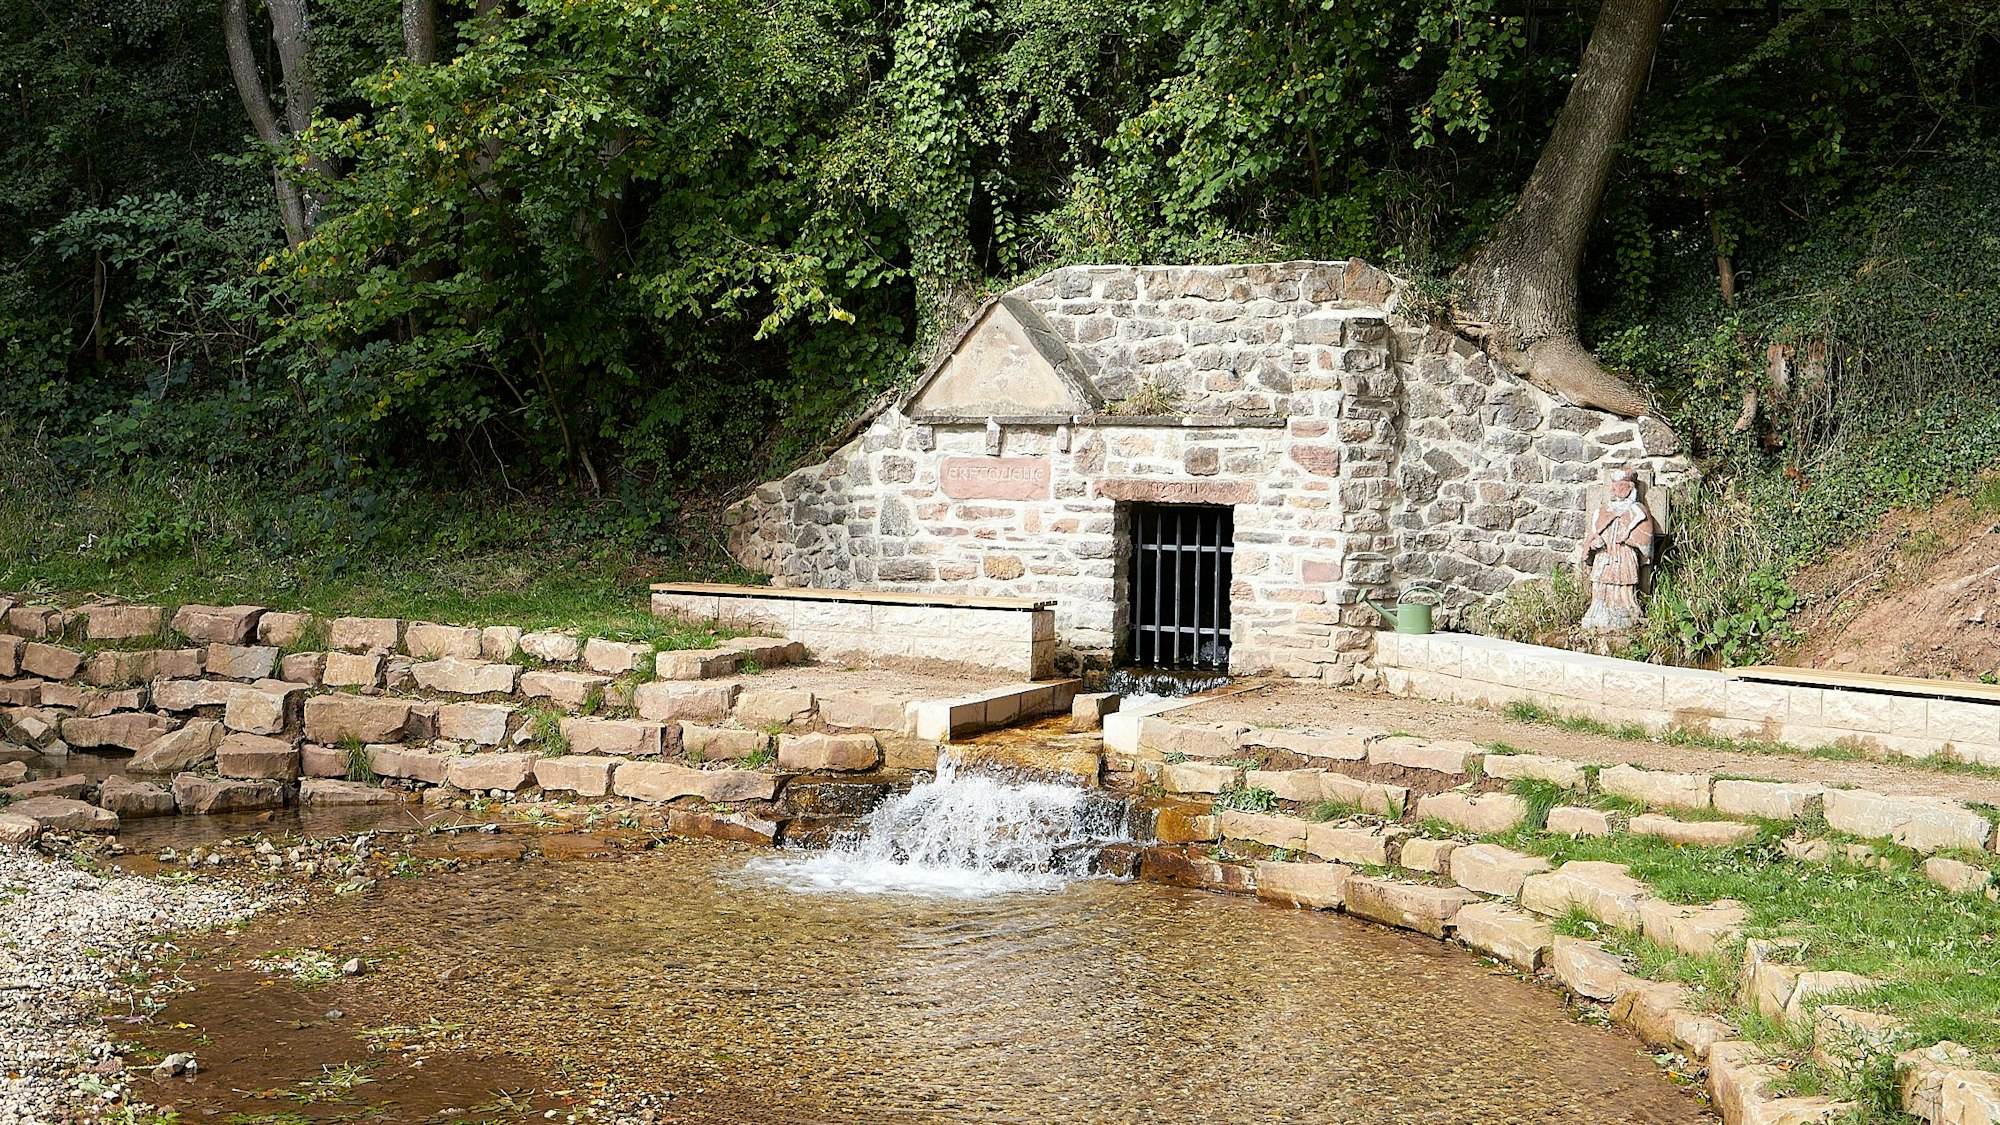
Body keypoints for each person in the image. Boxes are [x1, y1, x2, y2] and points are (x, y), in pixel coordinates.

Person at [1581, 469, 1655, 632]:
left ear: (1631, 488)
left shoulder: (1638, 510)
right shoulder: (1602, 511)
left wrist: (1628, 539)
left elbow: (1646, 538)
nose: (1619, 490)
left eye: (1623, 486)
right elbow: (1592, 536)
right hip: (1604, 555)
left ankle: (1625, 611)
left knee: (1624, 584)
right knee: (1600, 581)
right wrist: (1594, 544)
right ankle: (1597, 610)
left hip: (1625, 554)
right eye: (1616, 486)